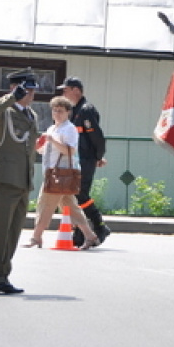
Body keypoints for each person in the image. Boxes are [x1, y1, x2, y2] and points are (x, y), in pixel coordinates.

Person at [0, 68, 40, 295]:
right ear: (15, 88)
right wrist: (11, 98)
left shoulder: (31, 115)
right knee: (0, 231)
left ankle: (3, 275)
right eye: (27, 90)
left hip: (22, 180)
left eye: (33, 90)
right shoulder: (4, 112)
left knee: (13, 232)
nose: (31, 94)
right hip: (4, 179)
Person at [22, 96, 100, 250]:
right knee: (70, 206)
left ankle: (36, 237)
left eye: (60, 111)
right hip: (53, 173)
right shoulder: (52, 129)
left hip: (60, 175)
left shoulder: (69, 129)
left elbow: (70, 150)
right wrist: (39, 146)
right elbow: (47, 151)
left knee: (45, 205)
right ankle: (90, 236)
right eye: (55, 110)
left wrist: (52, 140)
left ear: (68, 112)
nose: (57, 114)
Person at [57, 77, 111, 246]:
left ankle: (98, 226)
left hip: (85, 160)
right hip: (75, 160)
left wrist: (98, 157)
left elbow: (97, 137)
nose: (63, 93)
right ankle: (82, 233)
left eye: (66, 90)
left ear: (76, 90)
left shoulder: (86, 110)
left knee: (80, 194)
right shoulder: (73, 111)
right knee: (76, 195)